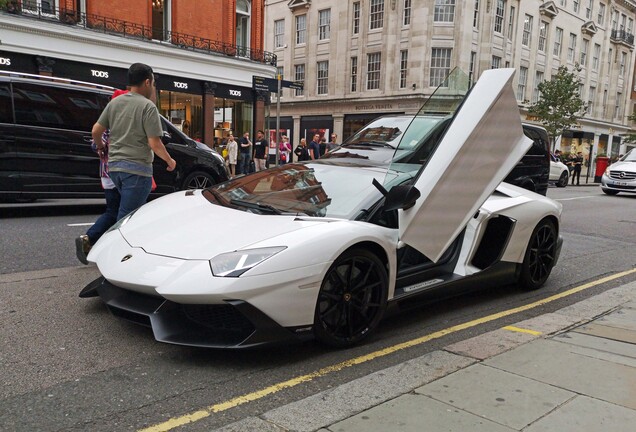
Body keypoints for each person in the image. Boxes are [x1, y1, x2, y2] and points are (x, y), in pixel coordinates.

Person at [91, 63, 176, 221]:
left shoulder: (115, 103)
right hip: (137, 169)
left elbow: (96, 131)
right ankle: (115, 245)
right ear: (147, 82)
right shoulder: (147, 106)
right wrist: (170, 161)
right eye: (153, 83)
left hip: (114, 168)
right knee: (127, 219)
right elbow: (154, 143)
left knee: (126, 214)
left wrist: (101, 147)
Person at [75, 89, 129, 264]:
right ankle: (112, 248)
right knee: (127, 213)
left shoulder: (107, 121)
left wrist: (100, 146)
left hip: (106, 174)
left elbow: (94, 143)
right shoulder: (122, 123)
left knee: (113, 212)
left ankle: (91, 240)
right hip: (122, 173)